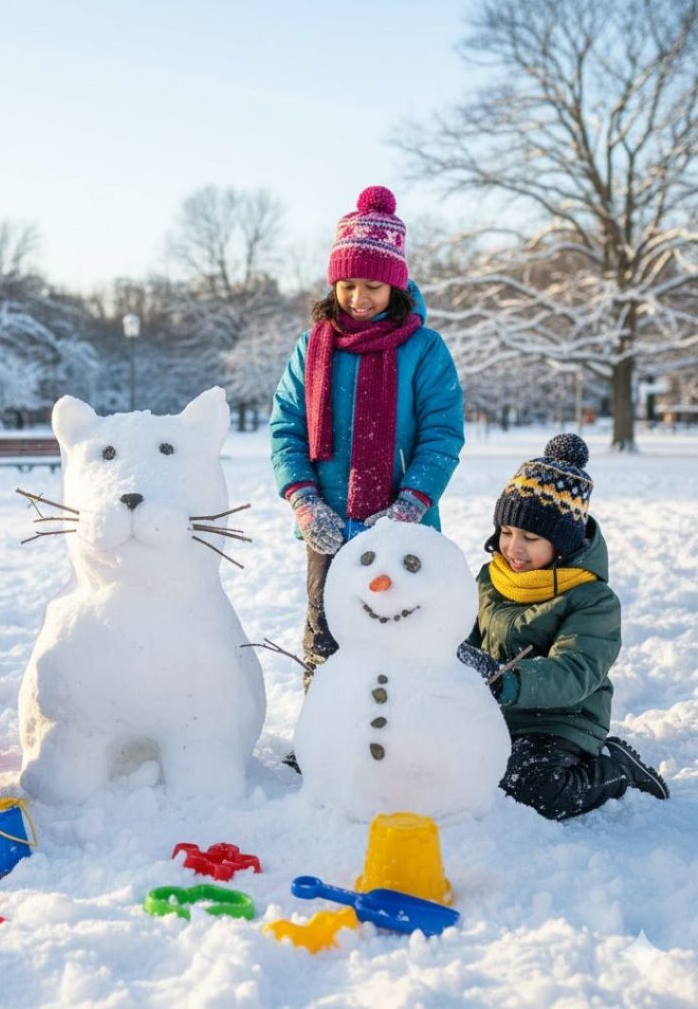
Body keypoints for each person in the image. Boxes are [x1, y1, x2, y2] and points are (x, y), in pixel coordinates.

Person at [269, 186, 465, 690]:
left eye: (373, 287)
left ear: (395, 287)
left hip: (402, 523)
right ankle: (325, 723)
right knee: (326, 637)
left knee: (403, 633)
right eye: (348, 285)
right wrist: (305, 501)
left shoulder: (424, 349)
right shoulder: (312, 347)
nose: (358, 298)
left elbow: (442, 435)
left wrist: (409, 505)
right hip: (328, 523)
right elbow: (286, 427)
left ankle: (403, 727)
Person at [459, 433, 669, 820]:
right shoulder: (490, 579)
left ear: (562, 543)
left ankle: (617, 769)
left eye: (530, 537)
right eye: (506, 532)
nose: (514, 548)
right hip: (493, 712)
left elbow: (575, 671)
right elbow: (464, 636)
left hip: (562, 720)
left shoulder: (592, 599)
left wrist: (506, 680)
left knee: (531, 789)